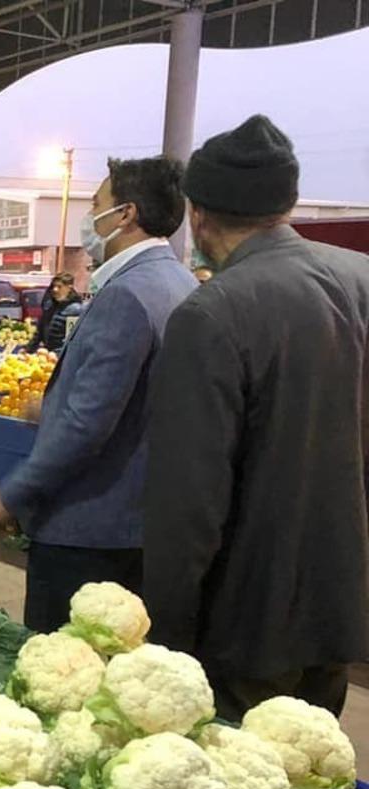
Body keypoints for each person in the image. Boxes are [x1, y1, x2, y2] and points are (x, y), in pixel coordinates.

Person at [143, 115, 369, 719]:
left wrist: (162, 638)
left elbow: (188, 503)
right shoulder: (358, 279)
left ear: (198, 214)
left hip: (246, 622)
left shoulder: (213, 313)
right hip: (341, 604)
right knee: (311, 782)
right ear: (287, 203)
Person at [0, 156, 196, 634]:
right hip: (140, 521)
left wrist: (12, 493)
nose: (89, 216)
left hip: (87, 528)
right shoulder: (177, 281)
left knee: (59, 666)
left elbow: (88, 425)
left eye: (96, 203)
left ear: (125, 215)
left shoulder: (127, 293)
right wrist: (51, 407)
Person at [27, 273, 81, 353]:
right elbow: (39, 331)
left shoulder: (75, 310)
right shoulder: (49, 307)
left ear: (69, 288)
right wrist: (29, 349)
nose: (55, 290)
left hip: (62, 357)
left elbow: (73, 340)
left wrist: (58, 354)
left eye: (59, 287)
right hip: (46, 355)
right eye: (54, 286)